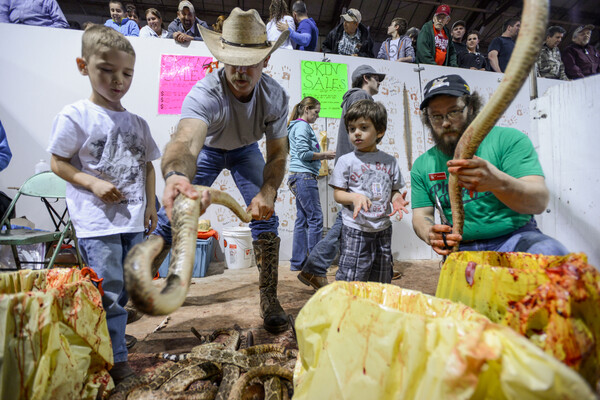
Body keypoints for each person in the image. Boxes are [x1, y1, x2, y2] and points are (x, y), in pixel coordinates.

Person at [154, 8, 291, 334]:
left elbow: (277, 155)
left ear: (265, 62)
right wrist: (176, 176)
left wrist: (267, 192)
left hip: (245, 151)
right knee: (169, 216)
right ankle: (138, 293)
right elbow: (186, 142)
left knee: (266, 216)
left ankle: (269, 298)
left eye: (250, 62)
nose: (241, 71)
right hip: (211, 150)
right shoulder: (206, 92)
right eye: (233, 60)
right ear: (221, 58)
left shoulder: (275, 97)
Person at [47, 25, 161, 384]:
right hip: (97, 224)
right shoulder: (76, 115)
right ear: (84, 66)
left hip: (131, 221)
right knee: (110, 291)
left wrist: (150, 206)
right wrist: (92, 182)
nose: (118, 80)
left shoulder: (137, 122)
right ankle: (117, 361)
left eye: (126, 73)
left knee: (127, 289)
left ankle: (112, 337)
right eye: (106, 70)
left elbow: (147, 165)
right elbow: (58, 162)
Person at [411, 74, 568, 256]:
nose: (445, 122)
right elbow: (422, 216)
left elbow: (539, 202)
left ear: (471, 107)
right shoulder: (423, 165)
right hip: (461, 246)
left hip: (515, 237)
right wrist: (429, 233)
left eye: (454, 112)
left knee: (552, 253)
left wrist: (497, 181)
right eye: (436, 116)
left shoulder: (509, 140)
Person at [297, 64, 387, 291]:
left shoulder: (353, 98)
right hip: (358, 167)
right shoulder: (361, 97)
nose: (380, 82)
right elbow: (364, 134)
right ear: (366, 77)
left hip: (352, 166)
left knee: (351, 217)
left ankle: (317, 267)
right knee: (351, 219)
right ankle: (315, 266)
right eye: (377, 78)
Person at [330, 100, 408, 283]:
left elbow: (394, 189)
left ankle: (374, 310)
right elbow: (338, 194)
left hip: (383, 229)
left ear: (379, 131)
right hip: (356, 229)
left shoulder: (390, 161)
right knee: (353, 277)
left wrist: (396, 198)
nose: (356, 133)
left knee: (381, 278)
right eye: (351, 129)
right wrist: (354, 197)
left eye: (363, 127)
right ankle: (349, 309)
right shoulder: (346, 161)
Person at [287, 97, 335, 271]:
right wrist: (324, 155)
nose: (317, 116)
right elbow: (303, 154)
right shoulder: (301, 126)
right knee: (315, 219)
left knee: (303, 220)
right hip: (304, 177)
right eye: (316, 112)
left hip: (299, 177)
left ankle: (297, 263)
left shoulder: (297, 126)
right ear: (306, 109)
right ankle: (314, 266)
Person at [0, 0, 69, 28]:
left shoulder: (48, 1)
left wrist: (40, 32)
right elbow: (2, 19)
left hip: (42, 40)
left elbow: (62, 24)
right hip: (14, 37)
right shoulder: (6, 1)